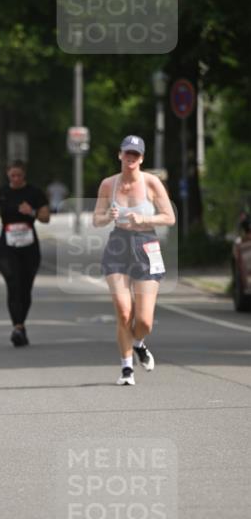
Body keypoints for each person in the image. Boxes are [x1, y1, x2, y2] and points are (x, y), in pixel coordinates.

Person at [93, 135, 175, 386]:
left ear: (142, 158)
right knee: (123, 310)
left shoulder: (152, 183)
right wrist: (108, 215)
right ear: (120, 155)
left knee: (144, 321)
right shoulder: (109, 184)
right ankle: (126, 368)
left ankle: (139, 343)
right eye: (127, 153)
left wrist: (144, 220)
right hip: (118, 246)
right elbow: (96, 220)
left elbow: (169, 217)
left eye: (136, 155)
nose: (131, 158)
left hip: (146, 246)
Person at [0, 160, 50, 347]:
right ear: (8, 174)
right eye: (12, 176)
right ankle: (18, 326)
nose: (15, 179)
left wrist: (31, 212)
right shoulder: (3, 192)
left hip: (29, 247)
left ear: (24, 176)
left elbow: (46, 217)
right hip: (7, 246)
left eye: (19, 176)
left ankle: (20, 324)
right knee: (13, 283)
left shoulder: (34, 193)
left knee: (25, 287)